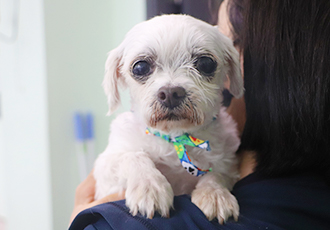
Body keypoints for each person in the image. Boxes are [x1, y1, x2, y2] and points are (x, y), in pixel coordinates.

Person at [69, 0, 330, 229]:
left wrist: (213, 184)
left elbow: (225, 170)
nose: (169, 90)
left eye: (203, 64)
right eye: (142, 68)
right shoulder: (127, 139)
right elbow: (105, 170)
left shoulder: (225, 143)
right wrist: (138, 169)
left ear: (232, 72)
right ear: (117, 77)